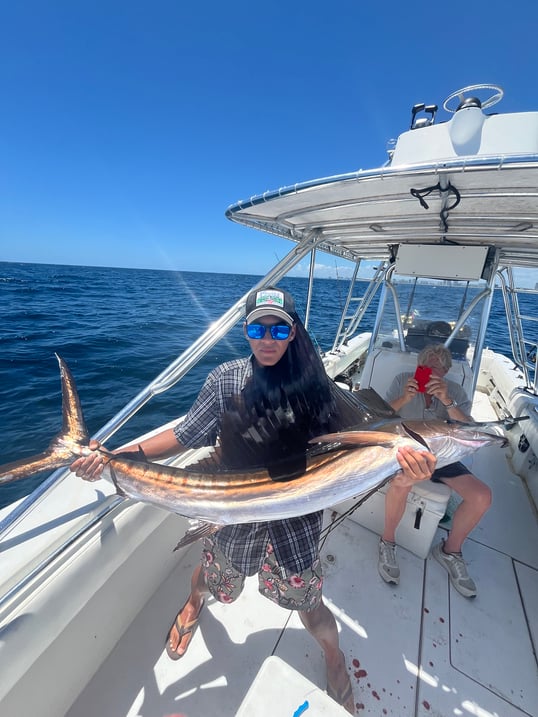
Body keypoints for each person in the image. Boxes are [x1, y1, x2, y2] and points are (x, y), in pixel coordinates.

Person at [71, 286, 435, 714]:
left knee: (311, 606)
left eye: (278, 328)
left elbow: (370, 437)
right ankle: (192, 604)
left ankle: (334, 659)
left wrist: (407, 472)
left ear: (294, 332)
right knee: (209, 578)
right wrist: (114, 457)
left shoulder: (321, 390)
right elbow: (185, 435)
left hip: (295, 524)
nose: (267, 338)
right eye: (257, 328)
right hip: (229, 513)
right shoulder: (225, 379)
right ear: (245, 330)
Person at [378, 343, 492, 598]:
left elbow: (469, 430)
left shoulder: (456, 392)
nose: (430, 372)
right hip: (407, 451)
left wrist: (447, 400)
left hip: (444, 456)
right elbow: (379, 415)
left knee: (482, 496)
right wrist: (405, 398)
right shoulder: (402, 381)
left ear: (446, 372)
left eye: (437, 368)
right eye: (426, 366)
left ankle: (450, 551)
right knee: (401, 483)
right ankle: (387, 541)